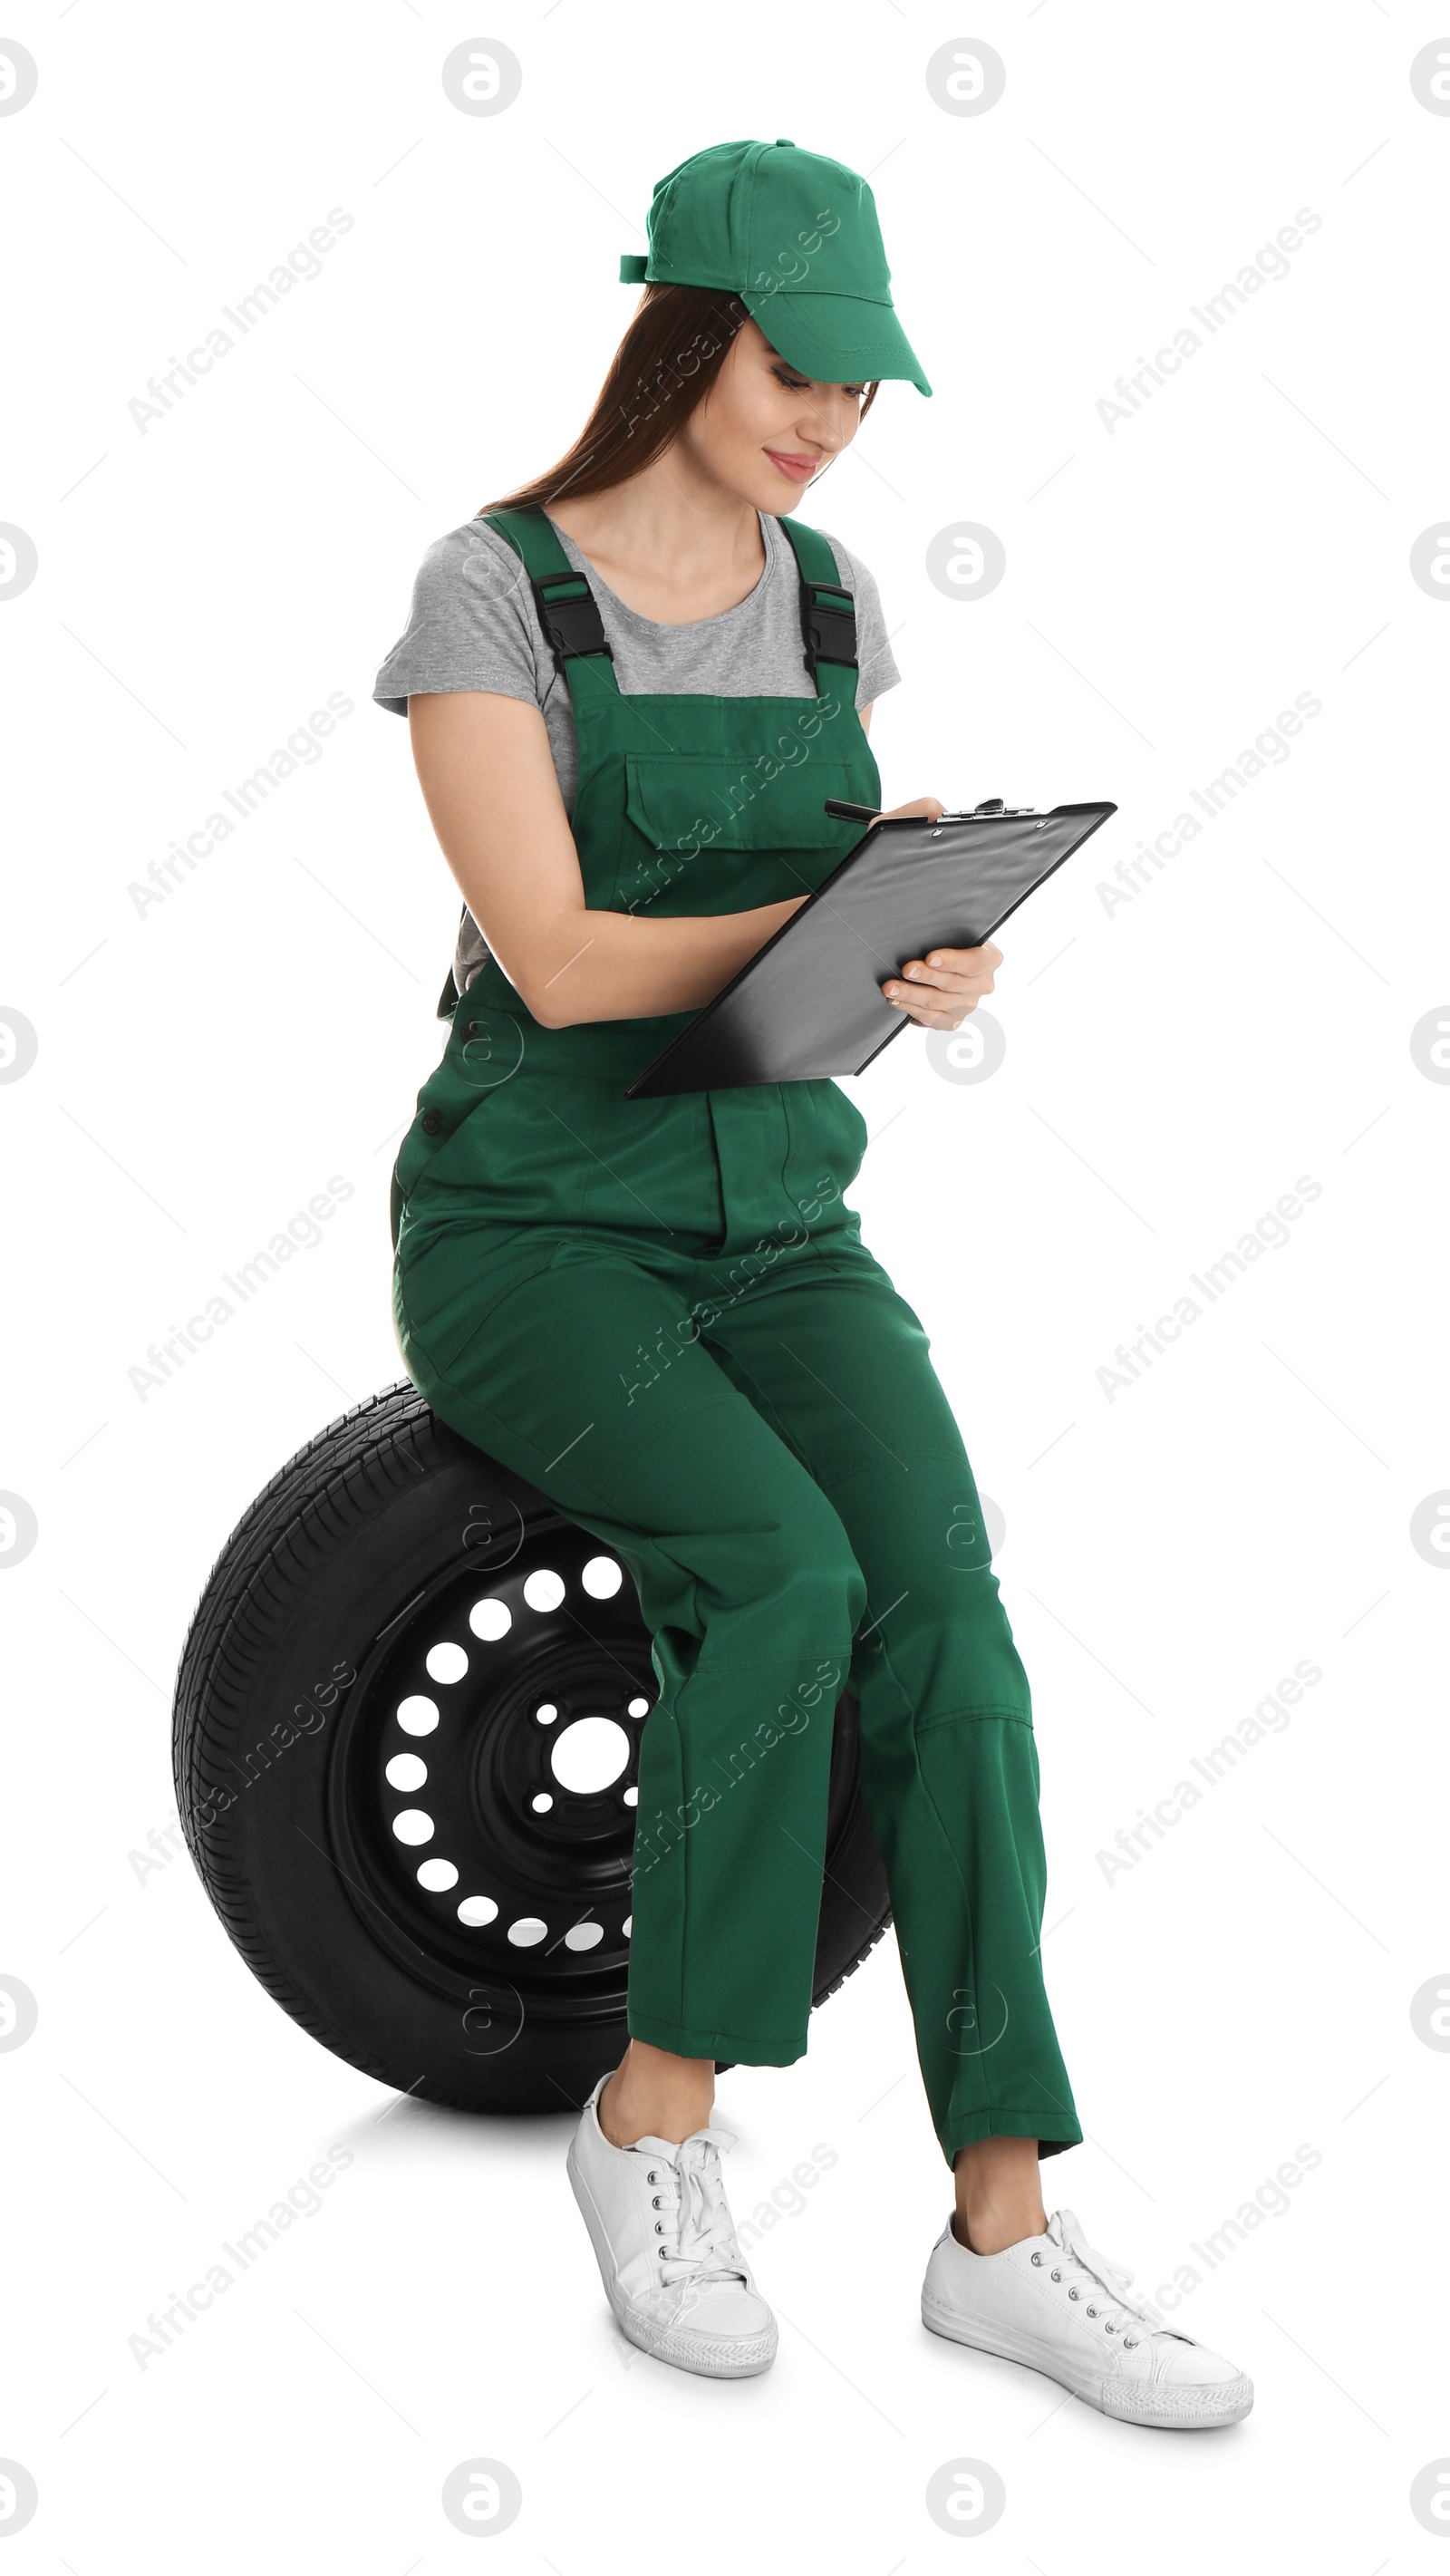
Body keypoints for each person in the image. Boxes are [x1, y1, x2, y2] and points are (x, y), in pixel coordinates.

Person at [372, 137, 1252, 2428]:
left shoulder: (836, 597)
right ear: (678, 332)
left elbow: (787, 973)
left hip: (778, 1208)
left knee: (942, 1618)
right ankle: (649, 2126)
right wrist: (809, 915)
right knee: (774, 1571)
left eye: (860, 386)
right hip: (538, 1221)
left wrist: (907, 935)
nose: (828, 420)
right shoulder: (496, 593)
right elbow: (560, 959)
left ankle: (1003, 2225)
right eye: (795, 369)